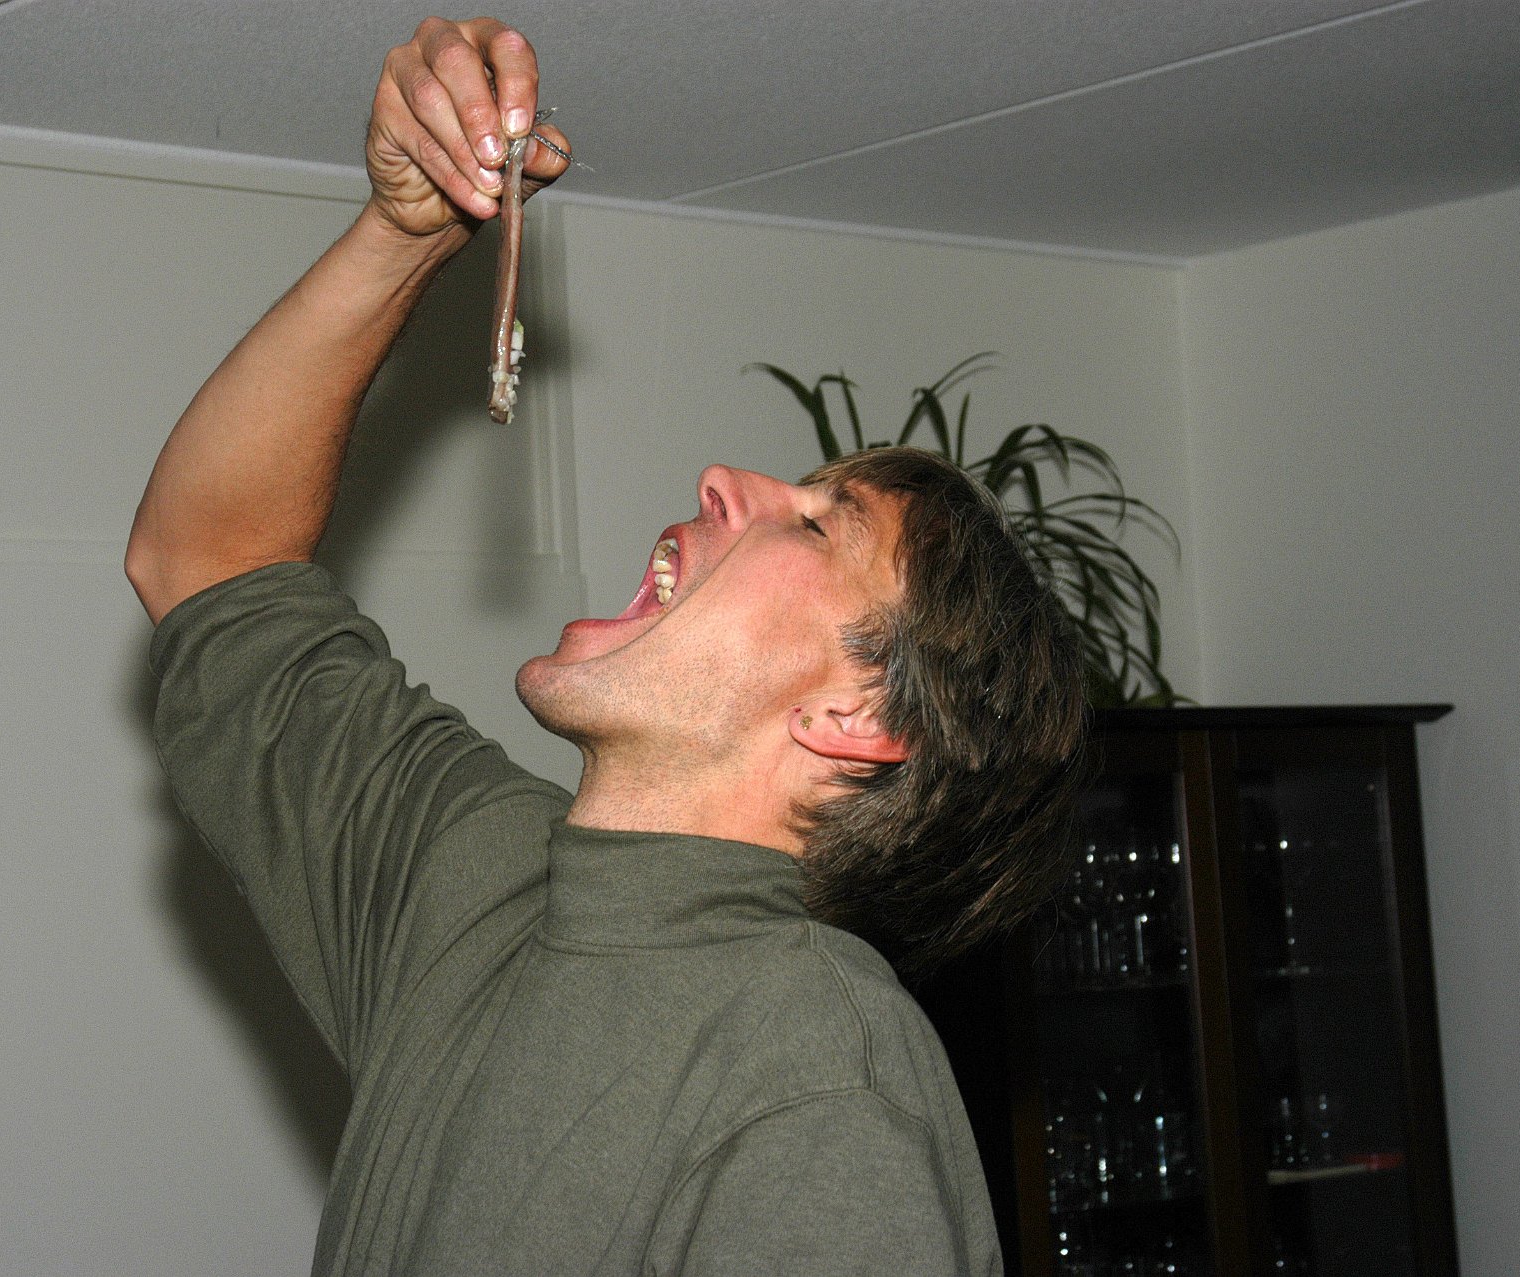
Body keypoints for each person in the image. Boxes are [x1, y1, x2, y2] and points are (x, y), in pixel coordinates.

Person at [126, 16, 1085, 1275]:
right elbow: (207, 560)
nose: (725, 477)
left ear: (858, 716)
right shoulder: (470, 875)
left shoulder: (819, 1073)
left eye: (818, 522)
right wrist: (407, 234)